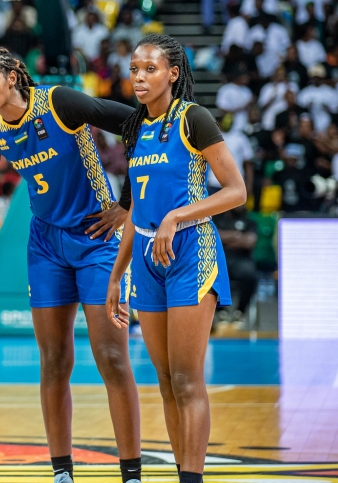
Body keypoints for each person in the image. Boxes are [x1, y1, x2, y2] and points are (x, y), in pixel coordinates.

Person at [0, 46, 141, 483]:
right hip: (46, 244)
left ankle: (131, 473)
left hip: (97, 240)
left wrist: (126, 203)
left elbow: (135, 123)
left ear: (13, 76)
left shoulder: (60, 102)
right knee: (54, 360)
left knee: (111, 356)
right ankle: (61, 472)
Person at [105, 34, 247, 483]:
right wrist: (116, 275)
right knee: (165, 381)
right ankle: (183, 473)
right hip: (145, 256)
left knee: (187, 380)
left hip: (190, 250)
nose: (139, 77)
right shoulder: (134, 129)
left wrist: (177, 217)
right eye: (134, 69)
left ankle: (193, 478)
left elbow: (236, 192)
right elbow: (135, 211)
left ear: (173, 72)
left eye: (150, 69)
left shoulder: (194, 119)